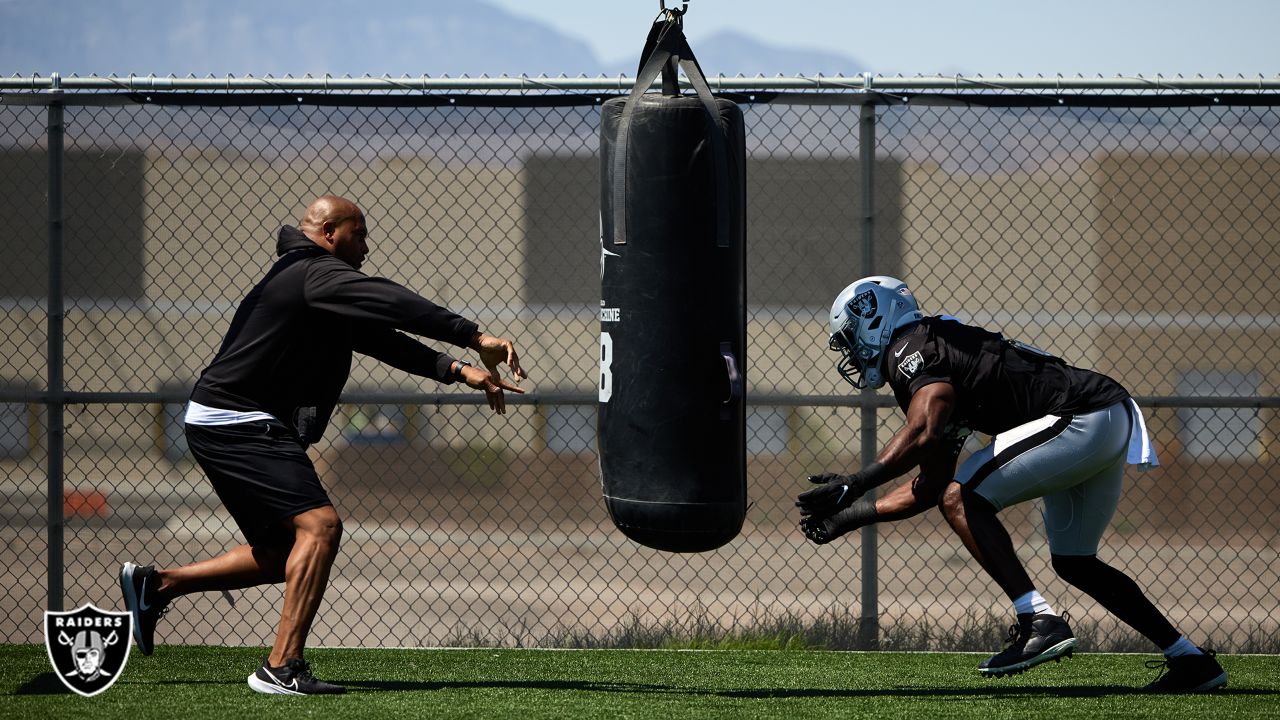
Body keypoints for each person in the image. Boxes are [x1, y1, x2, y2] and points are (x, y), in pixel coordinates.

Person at [119, 195, 528, 695]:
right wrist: (472, 335)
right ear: (330, 232)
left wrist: (457, 370)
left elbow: (380, 337)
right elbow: (392, 302)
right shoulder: (313, 273)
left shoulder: (315, 285)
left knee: (285, 553)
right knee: (321, 526)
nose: (366, 247)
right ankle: (281, 667)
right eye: (360, 235)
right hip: (238, 418)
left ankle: (158, 585)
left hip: (224, 418)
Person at [796, 275, 1227, 693]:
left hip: (1079, 416)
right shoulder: (937, 352)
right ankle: (1188, 659)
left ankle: (1039, 620)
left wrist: (854, 483)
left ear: (875, 318)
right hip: (1100, 416)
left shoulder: (911, 347)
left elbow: (924, 433)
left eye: (851, 335)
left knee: (963, 496)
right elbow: (930, 485)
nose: (851, 351)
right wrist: (849, 516)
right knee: (1074, 561)